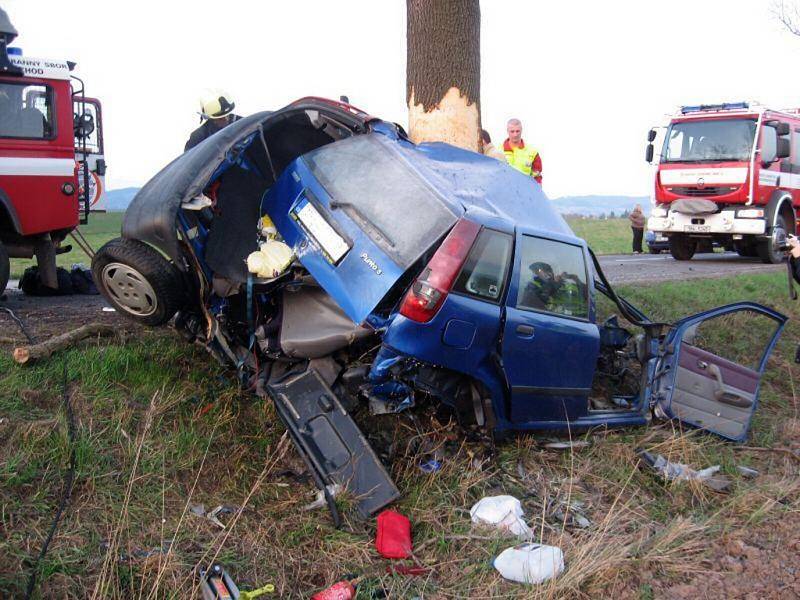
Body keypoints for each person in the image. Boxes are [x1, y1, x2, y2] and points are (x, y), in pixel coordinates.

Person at [502, 118, 542, 184]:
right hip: (504, 192)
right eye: (512, 131)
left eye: (518, 131)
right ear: (507, 131)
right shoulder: (498, 151)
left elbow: (537, 177)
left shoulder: (532, 152)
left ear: (521, 130)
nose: (515, 134)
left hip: (525, 192)